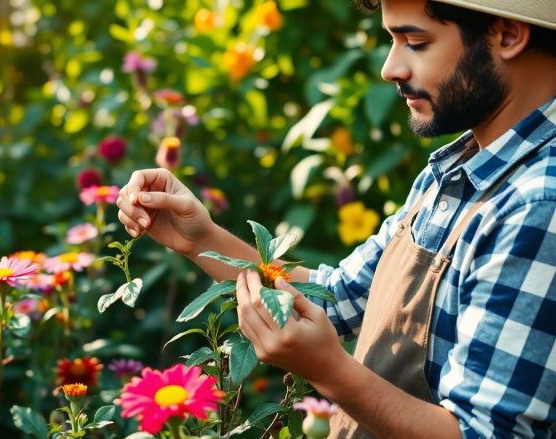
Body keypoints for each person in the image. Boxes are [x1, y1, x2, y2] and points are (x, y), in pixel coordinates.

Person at [117, 0, 556, 437]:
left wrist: (330, 371)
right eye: (391, 40)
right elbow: (339, 297)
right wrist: (202, 238)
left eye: (415, 42)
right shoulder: (460, 169)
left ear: (508, 35)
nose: (390, 68)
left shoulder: (536, 206)